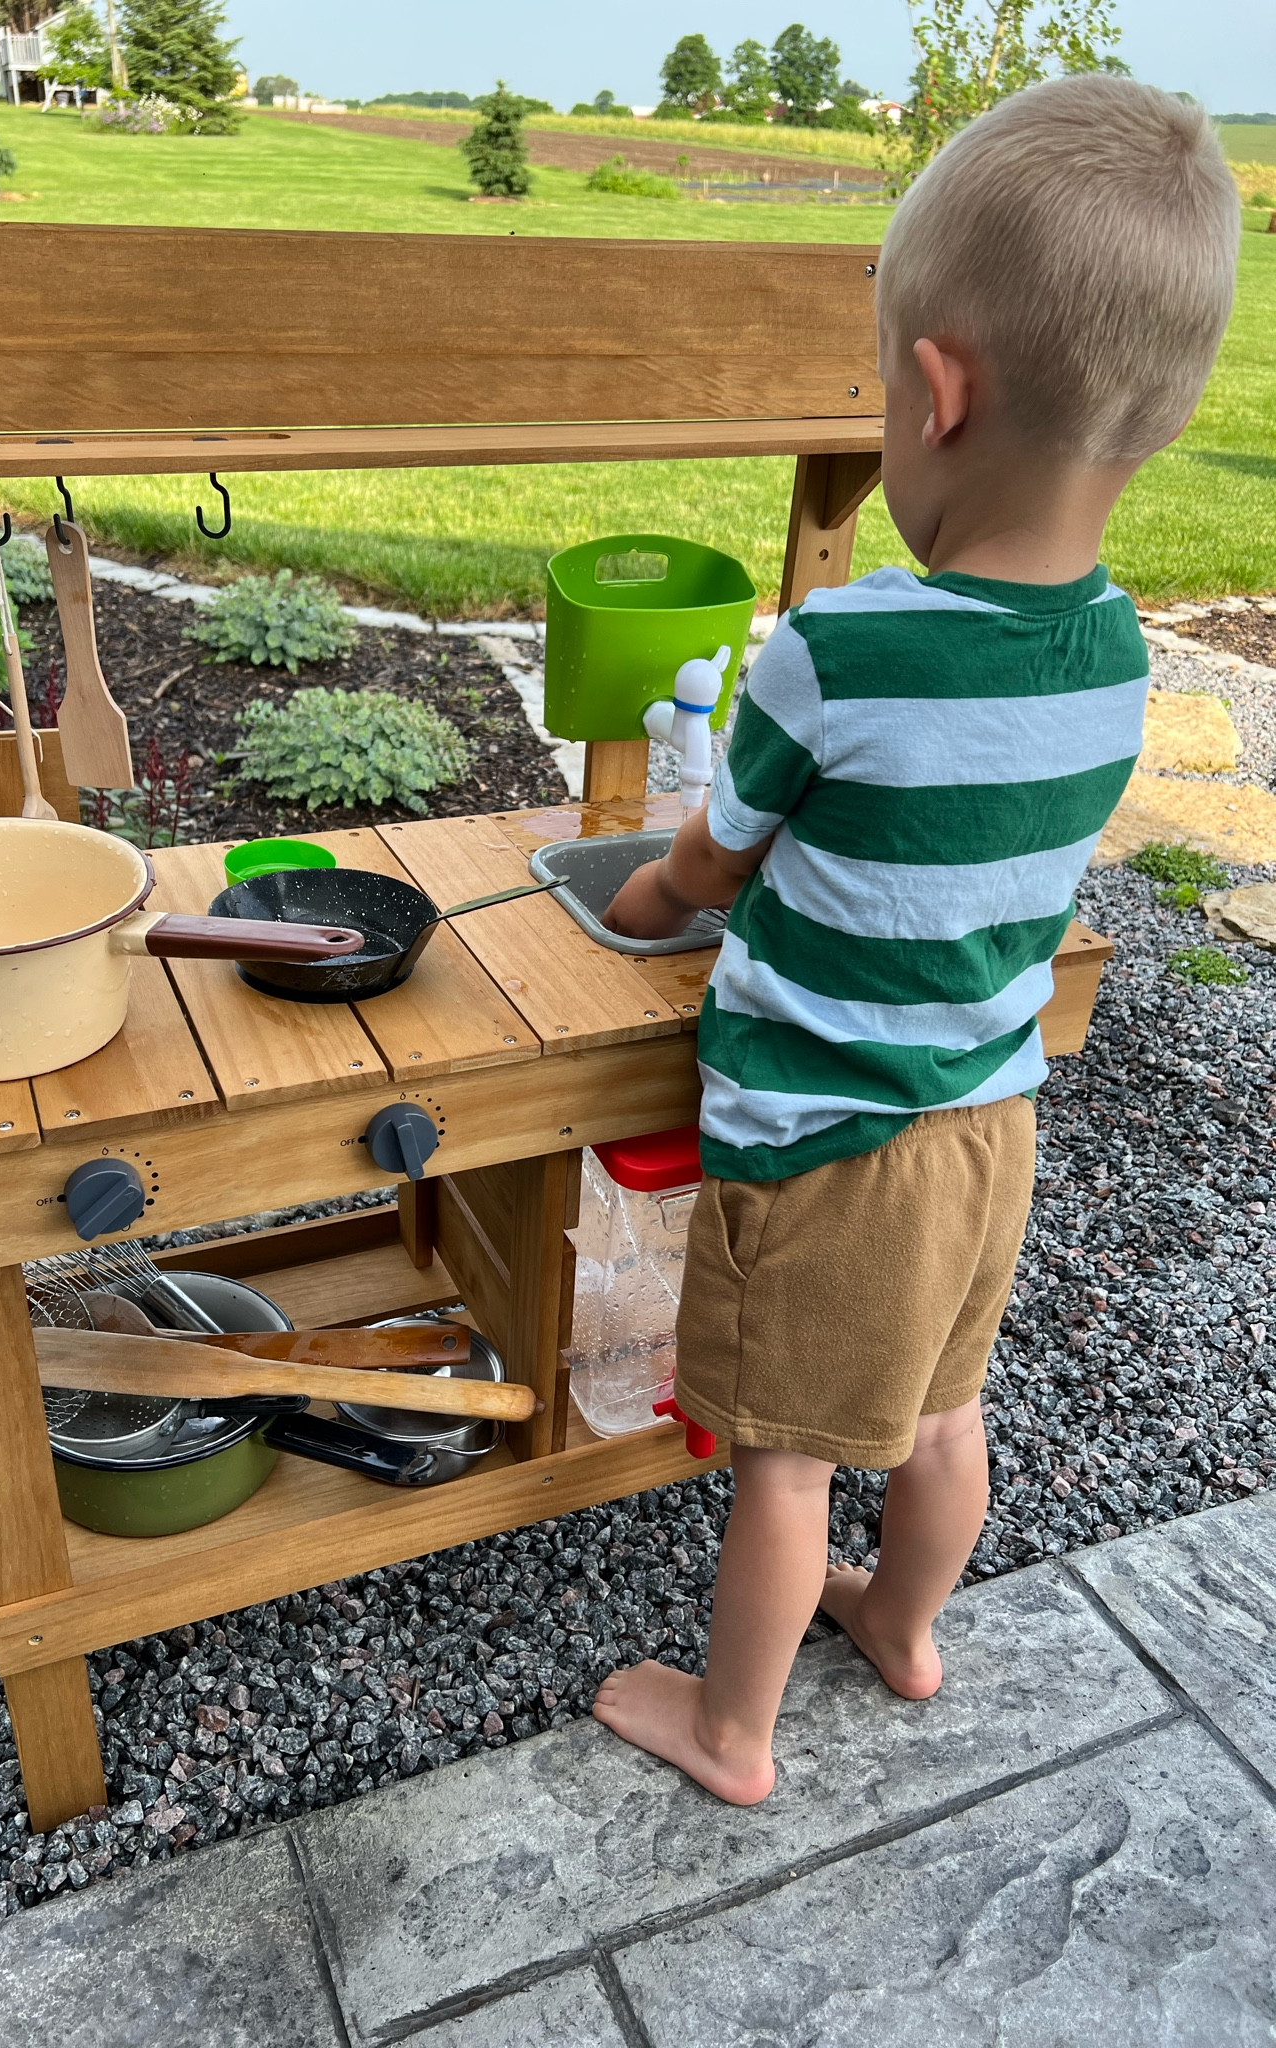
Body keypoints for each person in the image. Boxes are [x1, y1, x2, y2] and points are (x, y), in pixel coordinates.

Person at [591, 74, 1241, 1805]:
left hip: (828, 1145)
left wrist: (636, 904)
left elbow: (707, 872)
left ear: (938, 391)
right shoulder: (1116, 661)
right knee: (944, 1415)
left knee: (788, 1460)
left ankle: (729, 1732)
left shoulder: (839, 649)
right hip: (988, 1122)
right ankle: (907, 1628)